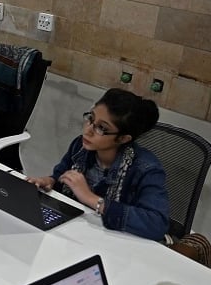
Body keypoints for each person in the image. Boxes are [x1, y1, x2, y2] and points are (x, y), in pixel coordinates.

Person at [27, 88, 169, 241]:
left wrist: (91, 198)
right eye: (91, 118)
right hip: (75, 232)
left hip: (116, 242)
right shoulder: (80, 147)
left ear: (123, 138)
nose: (88, 130)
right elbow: (60, 176)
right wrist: (49, 181)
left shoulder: (146, 169)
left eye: (101, 128)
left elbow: (156, 224)